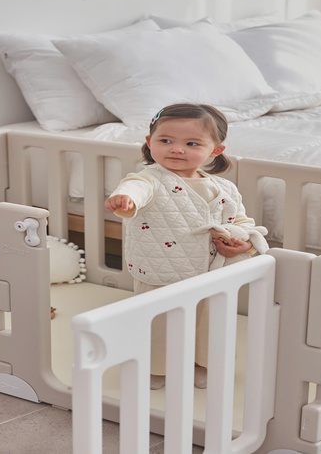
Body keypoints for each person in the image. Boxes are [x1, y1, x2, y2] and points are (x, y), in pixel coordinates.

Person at [105, 103, 269, 390]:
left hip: (212, 272)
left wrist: (244, 243)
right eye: (166, 140)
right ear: (150, 143)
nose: (177, 149)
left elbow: (241, 220)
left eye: (192, 143)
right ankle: (156, 367)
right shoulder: (150, 179)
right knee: (160, 323)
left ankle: (203, 363)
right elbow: (135, 188)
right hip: (161, 269)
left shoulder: (225, 189)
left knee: (210, 322)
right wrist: (125, 199)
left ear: (215, 150)